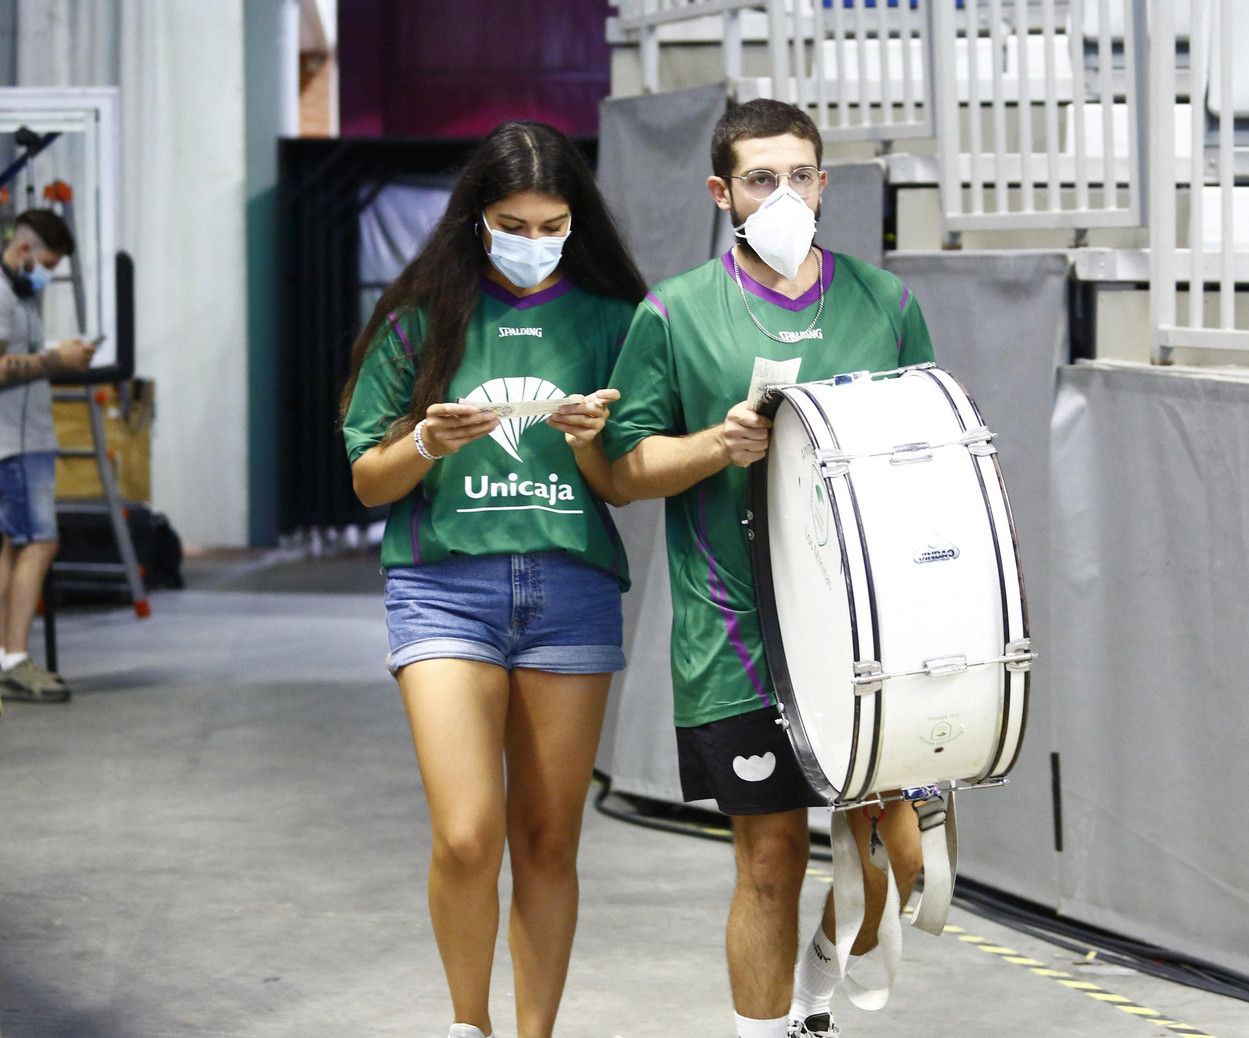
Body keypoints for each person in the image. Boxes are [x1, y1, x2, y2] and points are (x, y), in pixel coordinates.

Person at [603, 99, 938, 1038]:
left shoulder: (888, 305)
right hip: (736, 630)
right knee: (770, 861)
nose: (783, 195)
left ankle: (822, 977)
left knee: (903, 858)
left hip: (871, 629)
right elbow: (625, 471)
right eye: (760, 178)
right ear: (722, 192)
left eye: (799, 176)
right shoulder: (673, 313)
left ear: (824, 185)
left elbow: (928, 458)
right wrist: (717, 444)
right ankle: (771, 1030)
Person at [340, 121, 644, 1038]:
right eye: (514, 221)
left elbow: (623, 487)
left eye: (552, 224)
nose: (533, 239)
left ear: (573, 222)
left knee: (549, 842)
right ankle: (466, 1023)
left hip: (569, 590)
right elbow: (366, 479)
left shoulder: (614, 321)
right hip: (443, 588)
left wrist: (597, 446)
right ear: (477, 218)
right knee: (468, 835)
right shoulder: (419, 318)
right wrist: (425, 439)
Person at [0, 209, 95, 702]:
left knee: (18, 544)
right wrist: (59, 359)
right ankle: (16, 660)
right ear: (23, 250)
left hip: (25, 437)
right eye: (46, 263)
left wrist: (61, 356)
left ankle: (1, 655)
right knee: (39, 544)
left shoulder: (19, 293)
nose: (47, 274)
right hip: (8, 442)